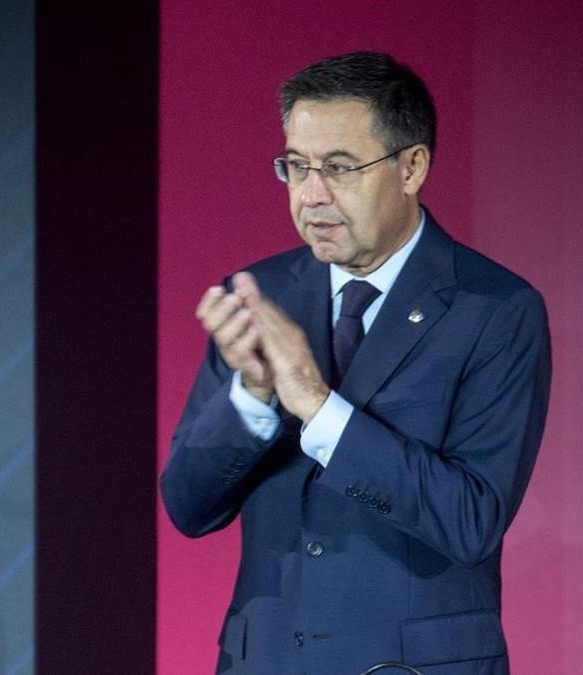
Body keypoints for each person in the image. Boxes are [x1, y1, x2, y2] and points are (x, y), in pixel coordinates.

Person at [160, 52, 550, 674]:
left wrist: (316, 403)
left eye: (339, 168)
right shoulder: (259, 297)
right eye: (296, 167)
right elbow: (187, 506)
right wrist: (253, 396)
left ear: (411, 167)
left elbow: (472, 520)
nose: (312, 195)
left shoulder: (495, 309)